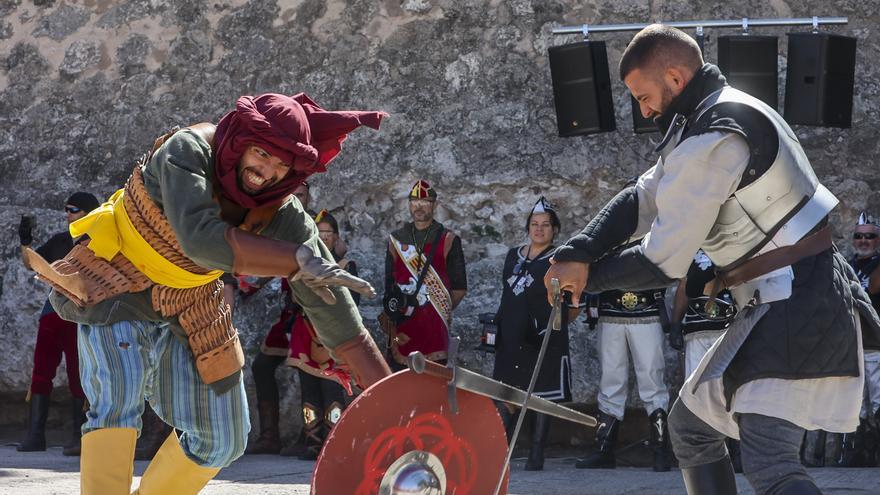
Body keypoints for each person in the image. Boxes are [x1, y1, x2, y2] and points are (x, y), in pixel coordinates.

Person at [545, 25, 880, 495]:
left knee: (771, 465)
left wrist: (583, 279)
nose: (643, 109)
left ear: (676, 78)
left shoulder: (714, 138)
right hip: (779, 296)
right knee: (691, 428)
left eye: (644, 96)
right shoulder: (714, 116)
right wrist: (576, 251)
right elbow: (643, 198)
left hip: (796, 301)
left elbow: (663, 262)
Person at [25, 93, 392, 495]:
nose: (265, 172)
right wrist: (297, 258)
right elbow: (201, 240)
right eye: (260, 154)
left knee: (225, 436)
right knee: (116, 404)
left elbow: (333, 304)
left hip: (192, 305)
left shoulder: (282, 213)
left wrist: (389, 399)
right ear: (240, 142)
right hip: (117, 286)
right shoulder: (187, 149)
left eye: (280, 164)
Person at [492, 197, 573, 471]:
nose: (539, 229)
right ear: (528, 227)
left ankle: (536, 454)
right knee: (506, 393)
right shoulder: (513, 255)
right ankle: (496, 451)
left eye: (545, 225)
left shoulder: (560, 258)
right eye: (534, 224)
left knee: (541, 396)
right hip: (511, 336)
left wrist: (554, 326)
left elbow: (570, 303)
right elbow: (506, 295)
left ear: (554, 229)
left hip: (541, 337)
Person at [576, 240, 671, 472]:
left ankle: (660, 451)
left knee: (652, 379)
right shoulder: (612, 231)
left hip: (647, 311)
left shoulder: (653, 229)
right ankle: (603, 450)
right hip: (610, 314)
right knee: (611, 379)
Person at [17, 192, 99, 456]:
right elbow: (31, 264)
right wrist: (25, 241)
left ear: (89, 212)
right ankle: (35, 436)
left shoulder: (100, 244)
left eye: (73, 209)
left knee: (79, 375)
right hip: (52, 313)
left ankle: (79, 437)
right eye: (66, 209)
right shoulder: (60, 240)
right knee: (41, 371)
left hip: (80, 315)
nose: (68, 214)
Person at [287, 210, 358, 459]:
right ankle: (313, 442)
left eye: (328, 233)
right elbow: (293, 301)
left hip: (334, 338)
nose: (324, 237)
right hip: (306, 335)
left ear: (336, 237)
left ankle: (333, 443)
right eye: (320, 233)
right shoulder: (300, 266)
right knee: (309, 394)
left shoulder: (347, 267)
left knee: (333, 393)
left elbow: (353, 303)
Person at [380, 180, 467, 369]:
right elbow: (389, 284)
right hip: (403, 325)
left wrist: (437, 311)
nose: (418, 206)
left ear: (434, 205)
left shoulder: (449, 240)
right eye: (414, 201)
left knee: (433, 387)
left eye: (425, 201)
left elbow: (459, 287)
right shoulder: (396, 240)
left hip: (434, 329)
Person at [838, 212, 880, 466]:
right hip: (851, 345)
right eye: (859, 236)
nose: (864, 240)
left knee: (878, 400)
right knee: (854, 403)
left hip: (876, 344)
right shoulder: (847, 267)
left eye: (870, 236)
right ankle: (856, 454)